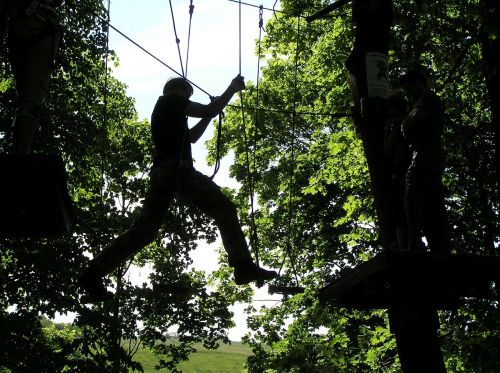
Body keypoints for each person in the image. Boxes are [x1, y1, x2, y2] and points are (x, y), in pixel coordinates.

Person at [79, 75, 277, 302]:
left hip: (163, 174)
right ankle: (243, 266)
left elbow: (191, 137)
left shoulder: (168, 111)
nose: (187, 99)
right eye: (188, 95)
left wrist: (210, 116)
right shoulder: (170, 100)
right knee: (224, 209)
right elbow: (209, 110)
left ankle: (92, 275)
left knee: (143, 232)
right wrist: (231, 89)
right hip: (178, 171)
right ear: (180, 90)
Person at [400, 70, 450, 254]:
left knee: (412, 198)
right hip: (433, 156)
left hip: (424, 155)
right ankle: (441, 245)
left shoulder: (427, 99)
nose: (408, 93)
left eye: (409, 87)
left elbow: (417, 116)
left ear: (419, 82)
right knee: (433, 201)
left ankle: (415, 243)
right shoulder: (429, 99)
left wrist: (404, 124)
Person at [3, 0, 62, 154]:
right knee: (31, 100)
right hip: (41, 25)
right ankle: (19, 155)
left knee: (24, 97)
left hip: (18, 25)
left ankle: (18, 152)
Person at [383, 95, 411, 250]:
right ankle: (413, 243)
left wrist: (386, 131)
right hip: (413, 166)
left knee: (398, 207)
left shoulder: (395, 123)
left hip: (399, 167)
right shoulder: (410, 119)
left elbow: (387, 148)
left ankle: (402, 246)